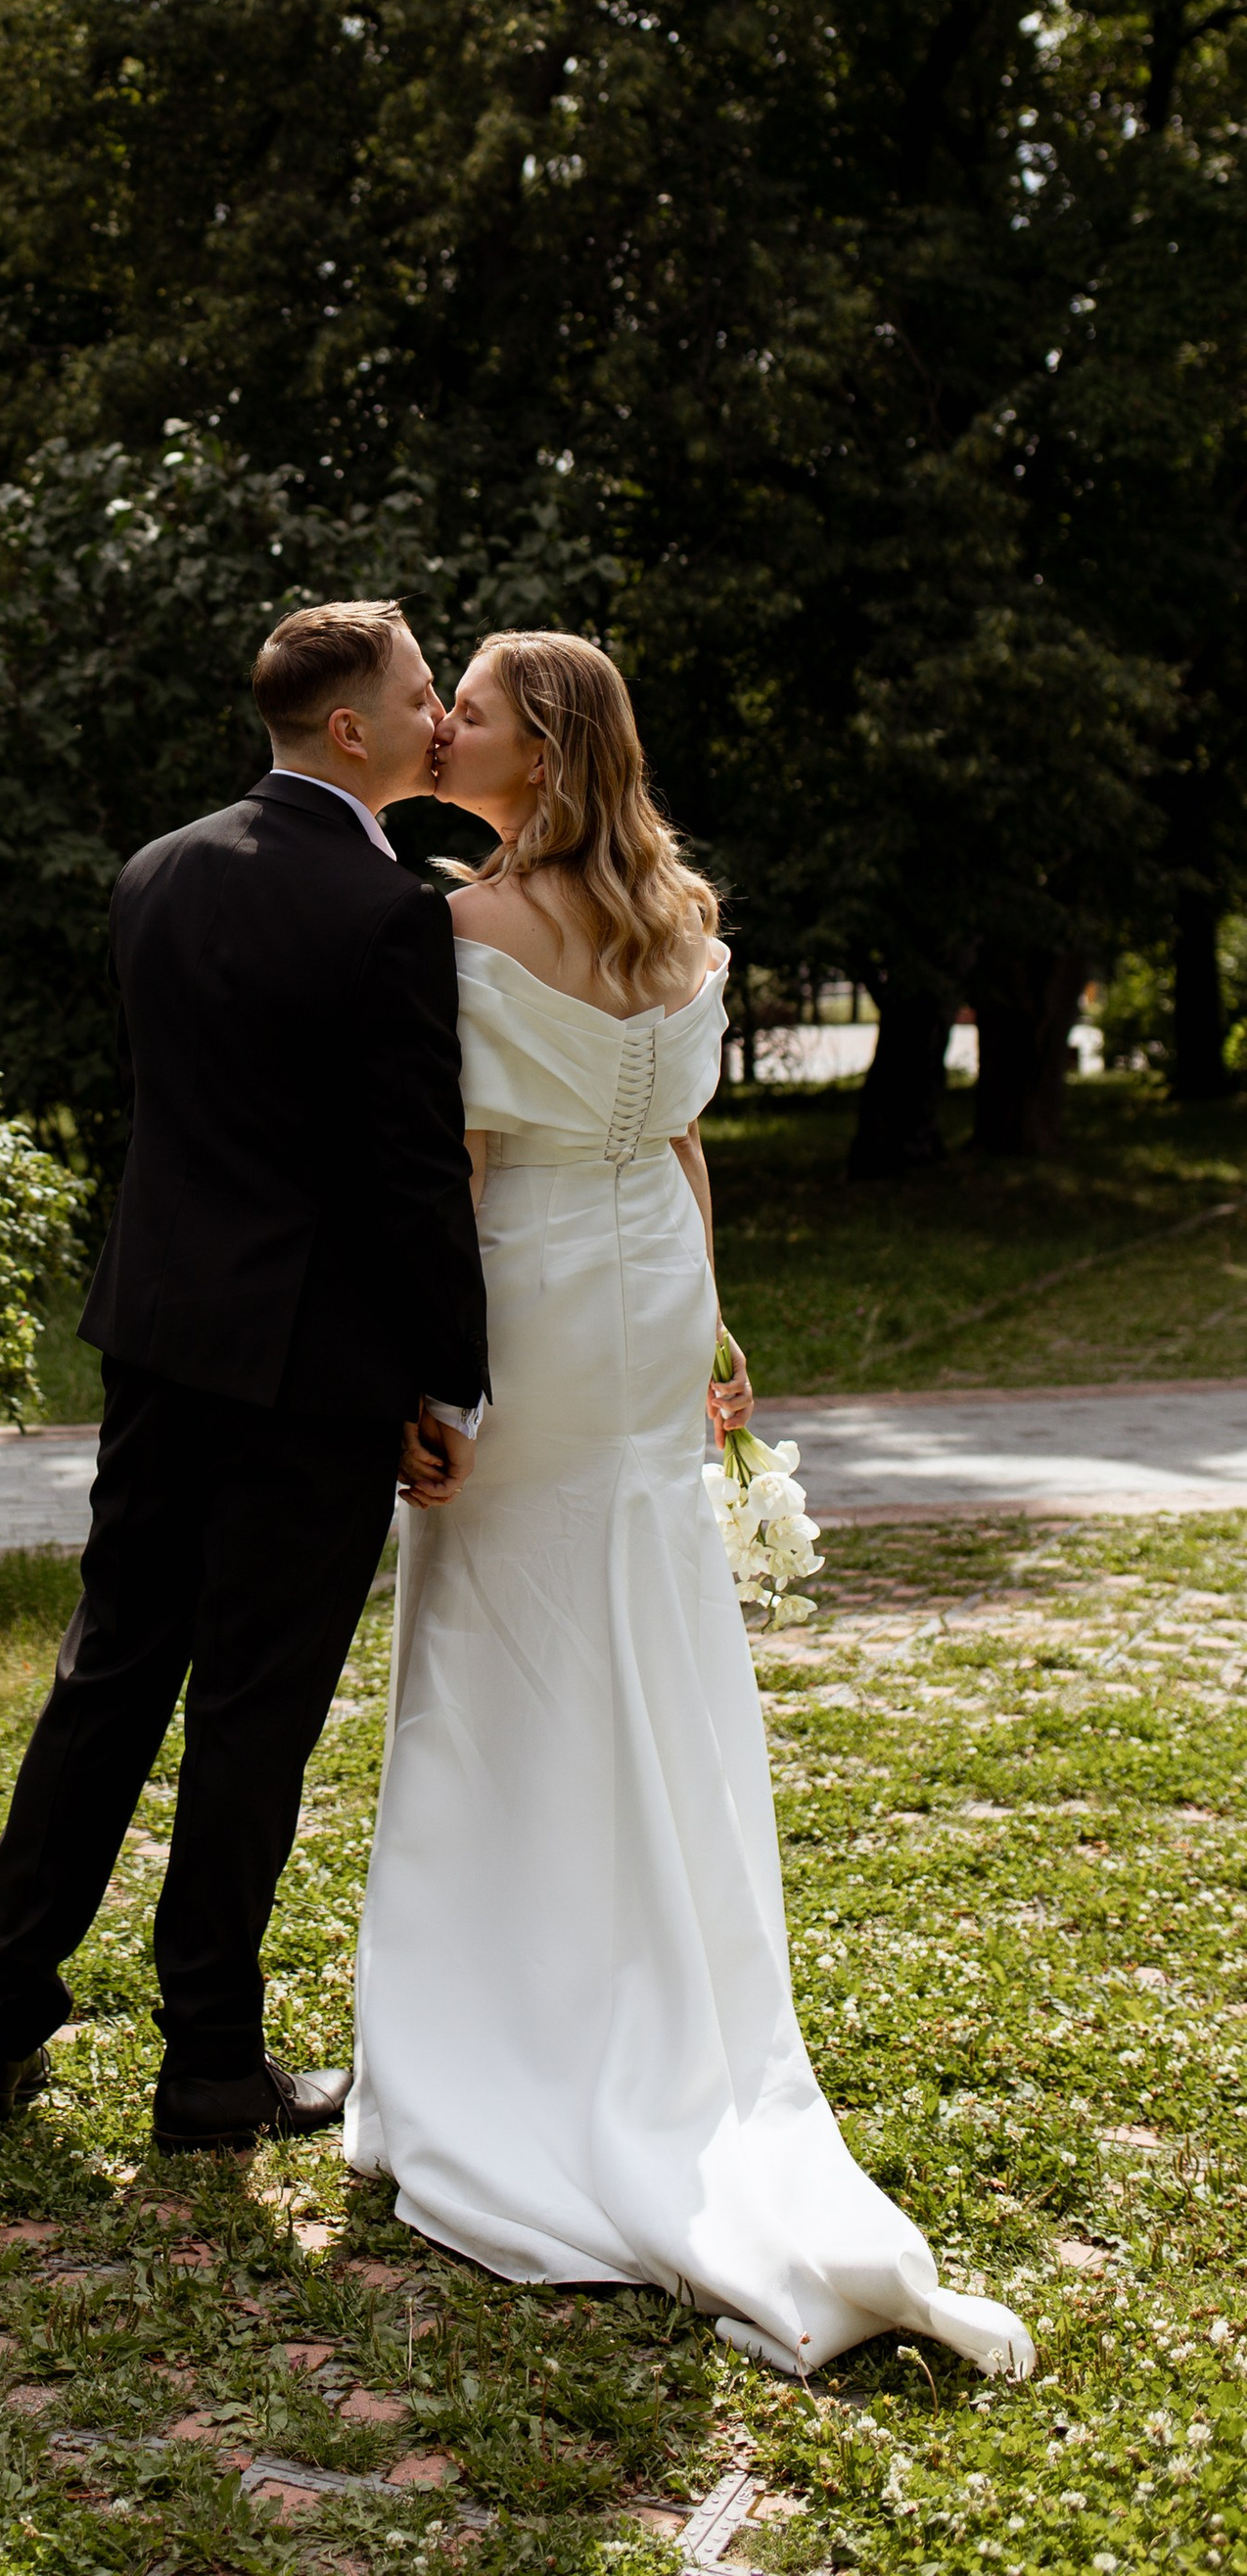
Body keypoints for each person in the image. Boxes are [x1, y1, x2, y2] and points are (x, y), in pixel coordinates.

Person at [346, 631, 1035, 2381]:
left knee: (497, 1647)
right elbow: (678, 1146)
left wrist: (427, 1380)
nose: (449, 724)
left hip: (531, 1305)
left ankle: (499, 2039)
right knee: (641, 1629)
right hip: (651, 1298)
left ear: (545, 751)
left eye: (475, 710)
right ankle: (661, 1974)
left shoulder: (458, 929)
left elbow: (463, 1170)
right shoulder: (684, 916)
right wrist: (712, 1318)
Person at [0, 599, 490, 2153]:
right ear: (354, 732)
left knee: (108, 1676)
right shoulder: (392, 913)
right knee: (253, 1713)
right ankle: (206, 2070)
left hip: (157, 1340)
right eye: (418, 693)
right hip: (307, 1374)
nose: (438, 715)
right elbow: (406, 1180)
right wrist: (450, 1378)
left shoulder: (155, 873)